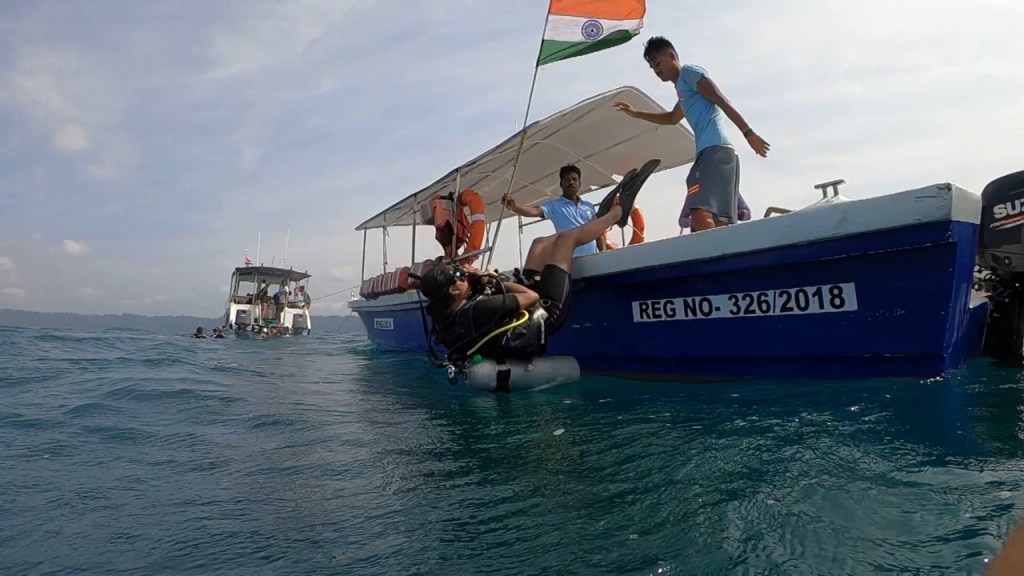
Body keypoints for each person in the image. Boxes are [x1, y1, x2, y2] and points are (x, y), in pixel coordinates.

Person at [418, 169, 652, 361]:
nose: (464, 275)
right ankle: (617, 215)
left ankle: (595, 223)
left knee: (539, 243)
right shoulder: (479, 309)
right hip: (545, 311)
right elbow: (531, 297)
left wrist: (477, 282)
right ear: (452, 290)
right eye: (459, 276)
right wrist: (491, 280)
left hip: (524, 311)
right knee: (565, 240)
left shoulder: (448, 311)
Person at [613, 35, 770, 233]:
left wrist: (749, 133)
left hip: (715, 151)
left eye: (658, 64)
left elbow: (721, 100)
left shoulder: (689, 73)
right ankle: (724, 250)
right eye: (652, 68)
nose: (656, 71)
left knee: (698, 213)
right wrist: (636, 114)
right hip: (716, 154)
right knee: (717, 220)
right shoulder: (683, 90)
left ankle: (716, 250)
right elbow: (672, 118)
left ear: (672, 56)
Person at [502, 164, 607, 256]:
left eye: (574, 179)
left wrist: (604, 254)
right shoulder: (554, 206)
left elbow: (598, 232)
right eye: (567, 180)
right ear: (561, 184)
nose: (571, 182)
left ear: (579, 183)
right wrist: (515, 208)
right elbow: (534, 211)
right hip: (569, 261)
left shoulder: (589, 206)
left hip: (592, 259)